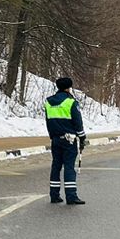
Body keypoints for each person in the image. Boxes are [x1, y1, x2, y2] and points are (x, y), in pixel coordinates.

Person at [44, 76, 86, 205]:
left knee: (56, 166)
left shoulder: (48, 102)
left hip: (55, 139)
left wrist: (52, 136)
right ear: (69, 88)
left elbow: (48, 121)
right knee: (69, 167)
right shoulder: (71, 102)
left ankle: (54, 195)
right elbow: (77, 122)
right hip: (69, 140)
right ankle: (71, 196)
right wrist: (82, 136)